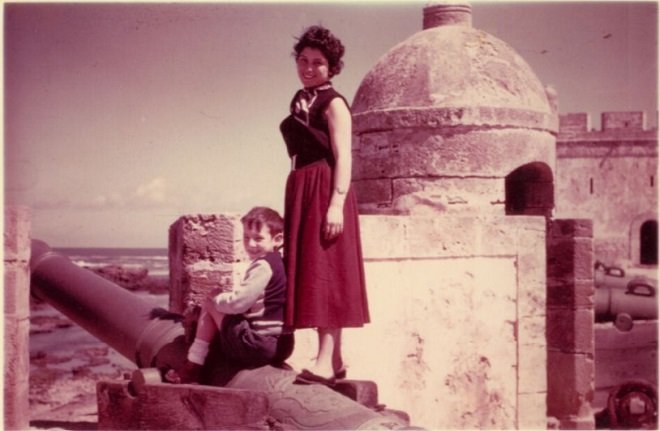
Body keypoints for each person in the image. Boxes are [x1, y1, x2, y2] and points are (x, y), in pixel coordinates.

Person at [280, 25, 370, 385]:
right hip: (303, 186)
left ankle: (323, 362)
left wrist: (336, 203)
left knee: (325, 272)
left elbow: (343, 156)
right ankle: (336, 359)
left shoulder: (333, 103)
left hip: (323, 187)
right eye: (303, 60)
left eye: (318, 62)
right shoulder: (301, 100)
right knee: (317, 269)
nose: (308, 67)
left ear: (331, 67)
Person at [165, 206, 294, 384]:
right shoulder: (282, 263)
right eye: (246, 238)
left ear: (277, 239)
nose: (251, 244)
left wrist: (218, 298)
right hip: (283, 345)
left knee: (210, 302)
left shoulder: (262, 265)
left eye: (258, 239)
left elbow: (237, 304)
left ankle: (193, 364)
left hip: (259, 346)